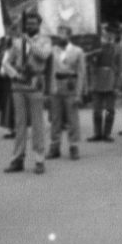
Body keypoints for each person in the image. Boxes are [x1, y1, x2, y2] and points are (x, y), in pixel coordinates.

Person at [1, 10, 52, 175]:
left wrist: (30, 41)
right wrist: (15, 74)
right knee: (19, 125)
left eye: (33, 23)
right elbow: (6, 63)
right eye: (28, 23)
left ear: (39, 24)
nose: (30, 25)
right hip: (18, 86)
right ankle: (17, 159)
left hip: (35, 84)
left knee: (38, 124)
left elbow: (44, 55)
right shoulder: (16, 42)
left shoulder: (45, 40)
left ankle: (39, 160)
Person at [47, 25, 86, 161]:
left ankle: (74, 146)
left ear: (69, 35)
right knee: (55, 119)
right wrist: (50, 89)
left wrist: (79, 93)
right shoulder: (53, 50)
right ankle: (54, 146)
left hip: (71, 85)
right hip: (56, 85)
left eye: (63, 34)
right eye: (58, 34)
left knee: (72, 118)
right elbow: (51, 70)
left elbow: (81, 73)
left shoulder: (78, 51)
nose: (60, 36)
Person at [88, 25, 118, 142]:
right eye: (107, 33)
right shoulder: (97, 46)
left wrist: (118, 83)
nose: (109, 36)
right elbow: (89, 61)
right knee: (97, 109)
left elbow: (119, 66)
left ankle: (107, 134)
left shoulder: (116, 48)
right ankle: (97, 133)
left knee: (110, 109)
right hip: (98, 78)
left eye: (111, 34)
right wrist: (95, 54)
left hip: (111, 78)